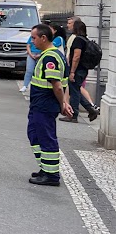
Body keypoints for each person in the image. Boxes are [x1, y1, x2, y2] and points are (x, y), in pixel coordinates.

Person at [27, 24, 74, 186]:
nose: (32, 41)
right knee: (35, 133)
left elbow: (58, 85)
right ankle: (46, 168)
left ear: (43, 38)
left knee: (46, 137)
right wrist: (64, 102)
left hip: (45, 104)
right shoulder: (52, 54)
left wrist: (63, 103)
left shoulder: (50, 57)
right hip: (40, 104)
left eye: (34, 38)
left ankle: (51, 175)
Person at [60, 19, 99, 123]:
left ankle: (73, 115)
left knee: (74, 91)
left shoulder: (78, 40)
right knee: (75, 90)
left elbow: (76, 56)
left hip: (77, 70)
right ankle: (91, 110)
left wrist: (72, 71)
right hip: (83, 69)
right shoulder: (85, 39)